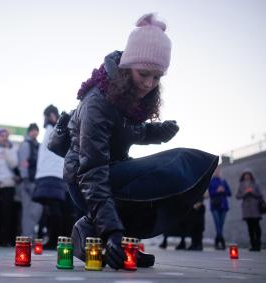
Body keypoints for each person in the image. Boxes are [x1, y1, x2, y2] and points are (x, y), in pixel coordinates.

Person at [52, 14, 218, 269]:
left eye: (157, 77)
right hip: (84, 179)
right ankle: (91, 230)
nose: (149, 84)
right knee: (180, 163)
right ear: (126, 67)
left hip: (109, 172)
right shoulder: (98, 102)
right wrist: (112, 231)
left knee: (160, 185)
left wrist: (158, 132)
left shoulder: (127, 98)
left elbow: (131, 132)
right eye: (143, 73)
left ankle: (122, 245)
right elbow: (91, 170)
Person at [33, 106, 69, 248]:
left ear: (52, 116)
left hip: (51, 173)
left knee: (54, 208)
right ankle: (53, 238)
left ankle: (54, 239)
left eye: (46, 116)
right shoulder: (56, 130)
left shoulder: (55, 130)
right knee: (51, 208)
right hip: (51, 173)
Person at [18, 123, 42, 238]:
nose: (35, 132)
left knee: (35, 211)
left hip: (36, 182)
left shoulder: (37, 145)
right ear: (29, 132)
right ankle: (27, 236)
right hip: (28, 182)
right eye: (33, 130)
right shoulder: (26, 145)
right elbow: (23, 163)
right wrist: (25, 178)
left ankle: (29, 235)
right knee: (27, 211)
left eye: (36, 130)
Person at [236, 170, 263, 251]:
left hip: (255, 209)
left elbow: (260, 195)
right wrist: (245, 192)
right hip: (246, 210)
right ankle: (252, 244)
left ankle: (258, 244)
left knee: (257, 226)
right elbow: (237, 196)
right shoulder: (241, 185)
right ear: (243, 176)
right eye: (245, 175)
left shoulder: (255, 184)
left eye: (248, 175)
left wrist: (252, 191)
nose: (247, 176)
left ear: (251, 176)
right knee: (250, 227)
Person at [208, 167, 231, 250]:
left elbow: (229, 193)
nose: (217, 172)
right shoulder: (211, 182)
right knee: (217, 224)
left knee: (221, 225)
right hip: (214, 206)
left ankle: (217, 242)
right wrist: (217, 191)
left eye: (218, 171)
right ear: (213, 172)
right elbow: (209, 194)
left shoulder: (223, 182)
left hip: (223, 206)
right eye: (215, 171)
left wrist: (223, 190)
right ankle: (222, 241)